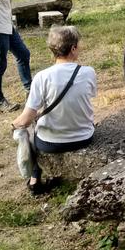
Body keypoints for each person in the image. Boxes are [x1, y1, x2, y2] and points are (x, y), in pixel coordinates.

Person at [11, 25, 97, 195]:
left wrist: (13, 125)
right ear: (73, 48)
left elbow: (27, 118)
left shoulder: (42, 77)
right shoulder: (88, 72)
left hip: (51, 142)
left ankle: (35, 178)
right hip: (84, 136)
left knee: (29, 131)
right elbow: (90, 95)